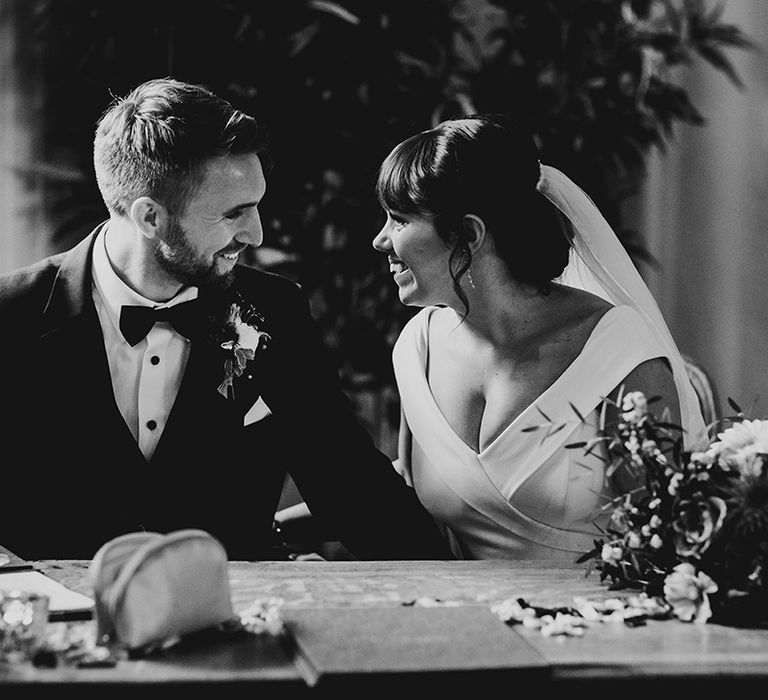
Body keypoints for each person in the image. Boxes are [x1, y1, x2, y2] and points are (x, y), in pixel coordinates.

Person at [0, 77, 452, 562]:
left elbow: (347, 478)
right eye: (234, 213)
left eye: (256, 207)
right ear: (150, 218)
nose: (255, 234)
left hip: (231, 619)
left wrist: (458, 600)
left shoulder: (276, 312)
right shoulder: (12, 318)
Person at [372, 115, 707, 561]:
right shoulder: (418, 347)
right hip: (454, 621)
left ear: (468, 234)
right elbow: (407, 493)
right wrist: (268, 526)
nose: (380, 240)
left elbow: (666, 545)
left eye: (398, 220)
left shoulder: (616, 354)